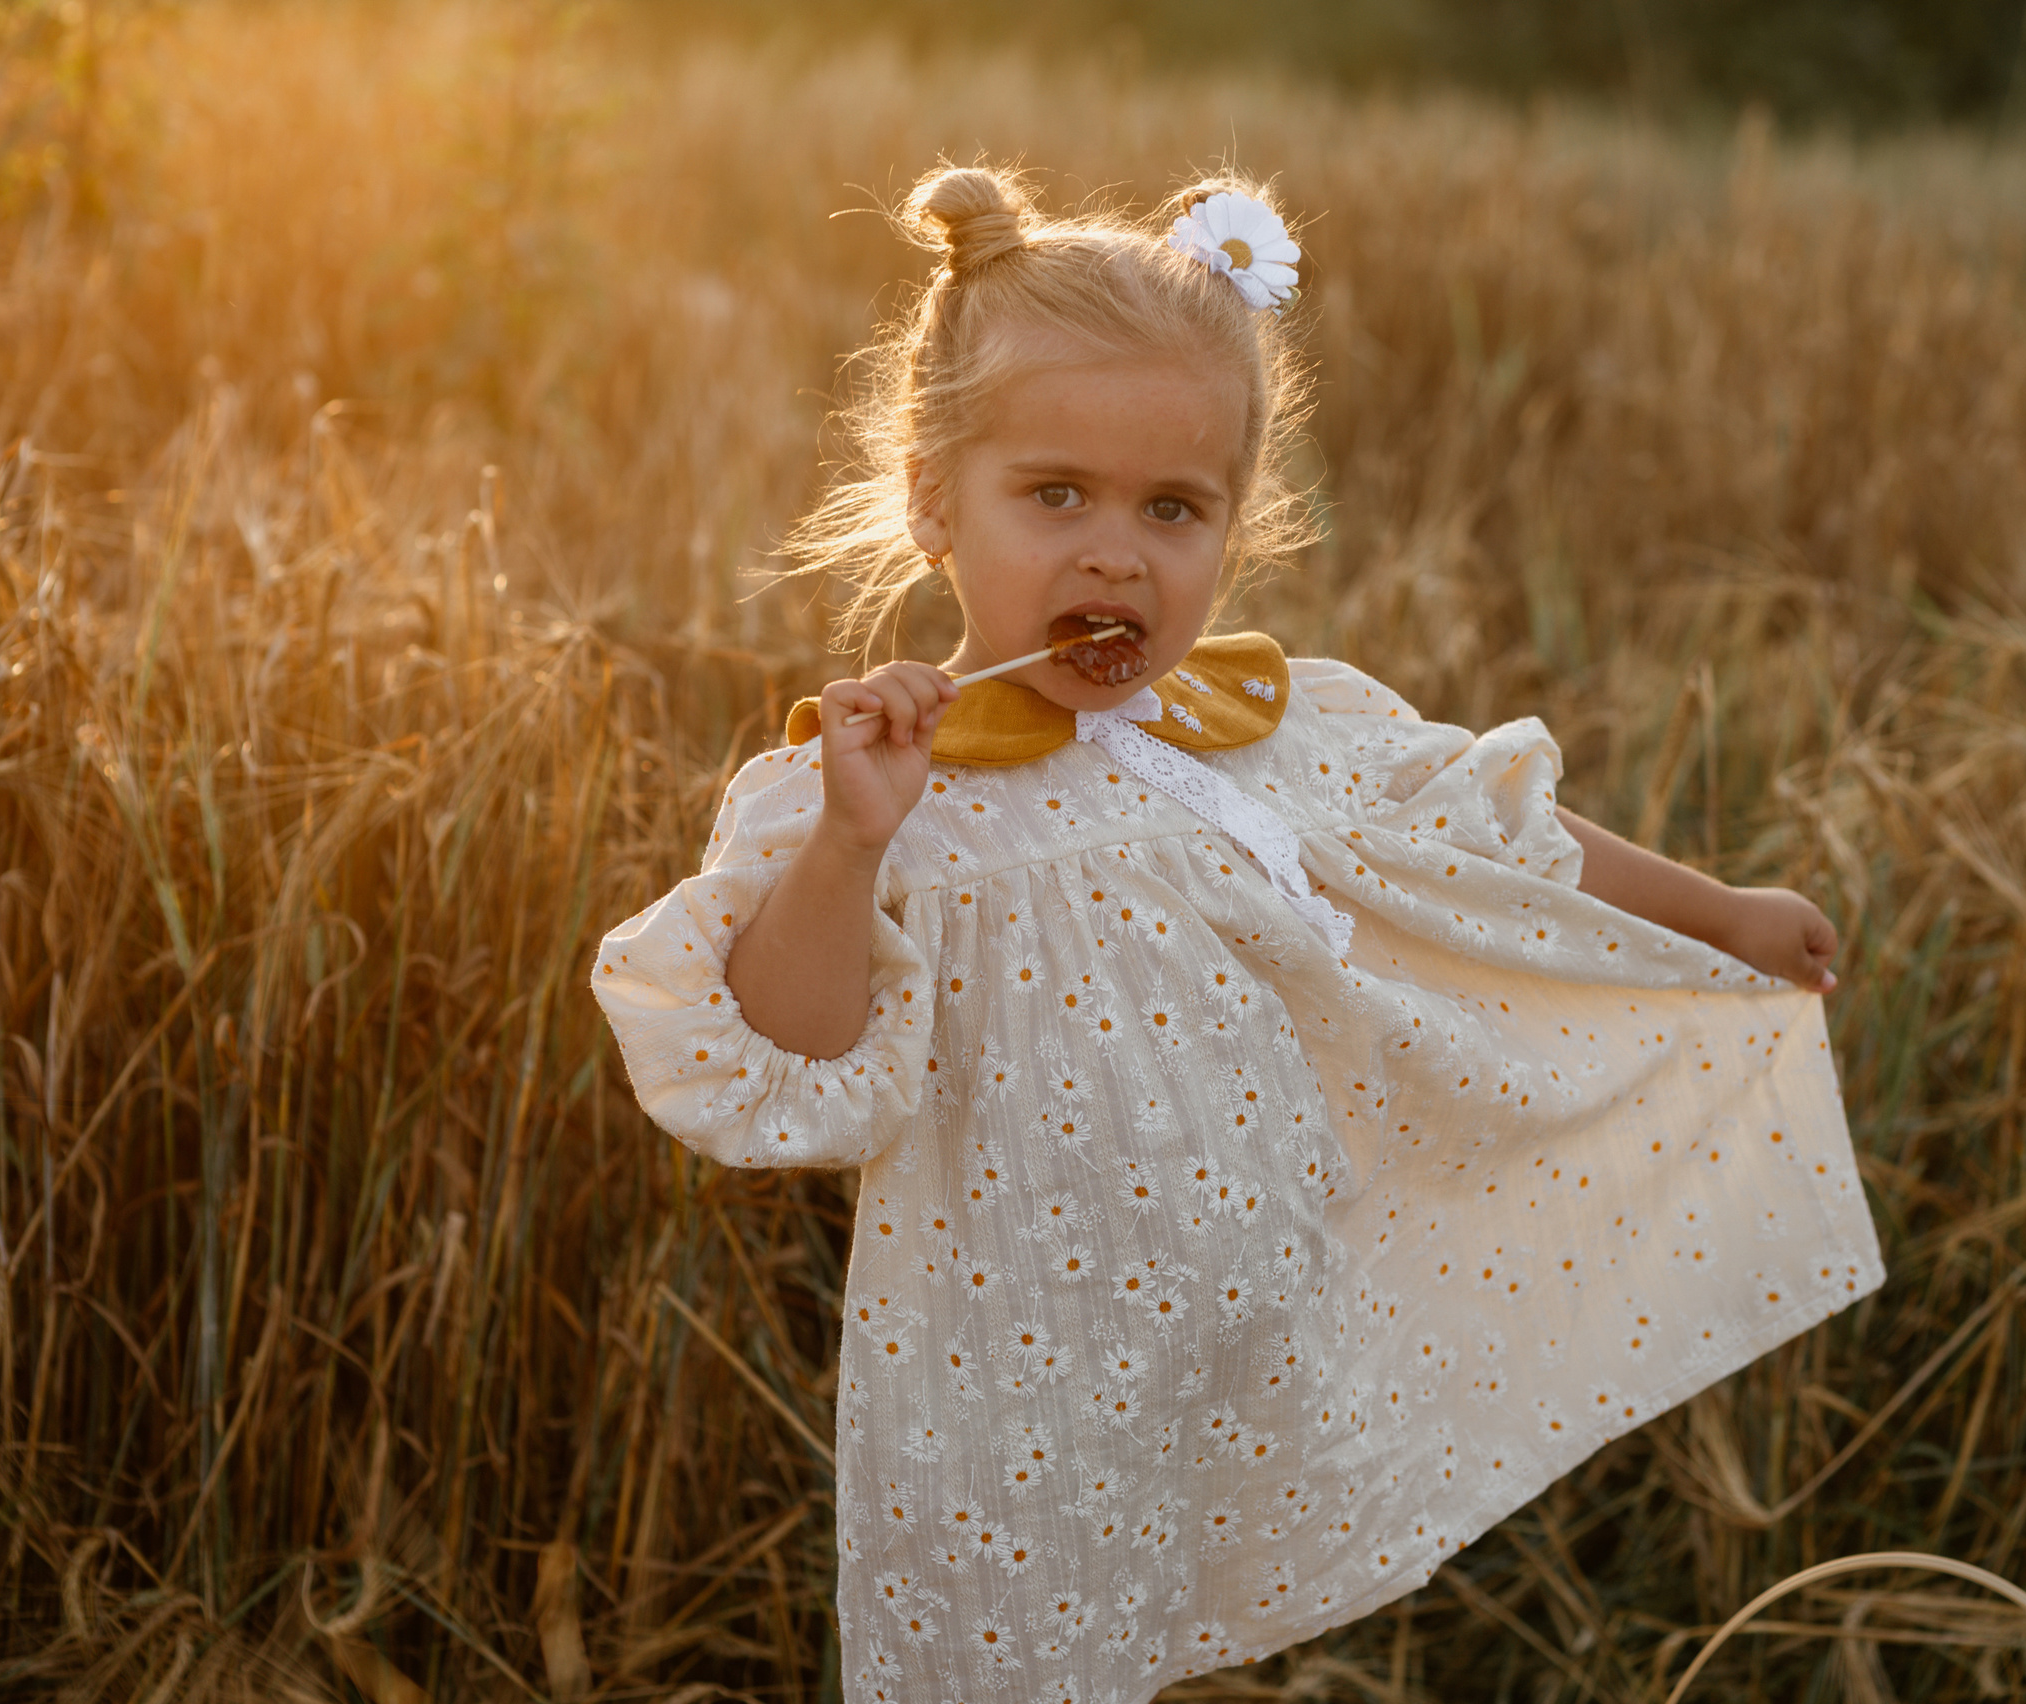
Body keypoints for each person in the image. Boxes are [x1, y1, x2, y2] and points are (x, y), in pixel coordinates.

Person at [592, 162, 1882, 1702]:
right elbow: (785, 1059)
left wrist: (1721, 915)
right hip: (1023, 1380)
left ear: (1234, 524)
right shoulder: (877, 792)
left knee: (1189, 1644)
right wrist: (851, 844)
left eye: (1173, 509)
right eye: (1055, 495)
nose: (1115, 553)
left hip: (1274, 1326)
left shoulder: (1273, 728)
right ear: (935, 501)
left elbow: (1499, 845)